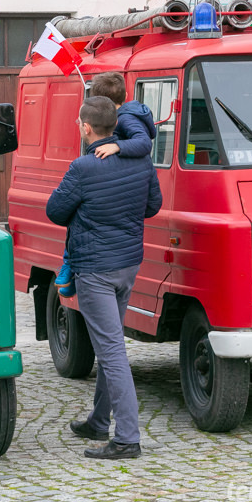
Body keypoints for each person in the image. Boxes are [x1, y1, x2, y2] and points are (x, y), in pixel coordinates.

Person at [46, 96, 162, 460]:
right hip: (128, 264)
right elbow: (152, 206)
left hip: (95, 268)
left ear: (86, 127)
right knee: (109, 344)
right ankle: (98, 420)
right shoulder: (140, 161)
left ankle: (127, 438)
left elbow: (55, 211)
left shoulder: (82, 167)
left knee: (111, 352)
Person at [54, 71, 158, 297]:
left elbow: (143, 143)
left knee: (79, 216)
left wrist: (117, 148)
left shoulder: (127, 118)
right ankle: (70, 265)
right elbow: (153, 205)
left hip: (99, 262)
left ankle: (69, 264)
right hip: (125, 256)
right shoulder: (128, 115)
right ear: (126, 93)